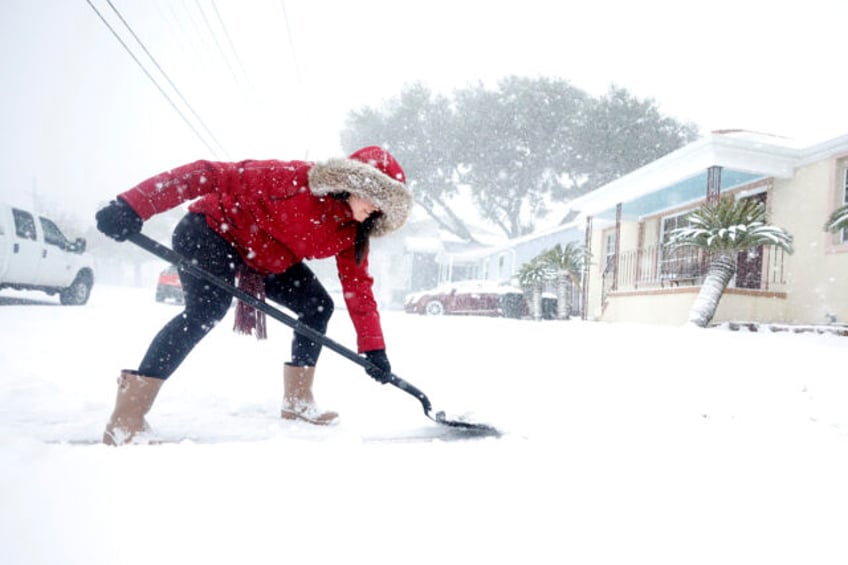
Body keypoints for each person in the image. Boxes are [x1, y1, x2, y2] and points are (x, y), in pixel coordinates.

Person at [95, 146, 412, 445]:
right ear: (351, 182)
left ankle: (298, 401)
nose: (377, 208)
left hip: (262, 256)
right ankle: (127, 418)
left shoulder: (353, 231)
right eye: (374, 195)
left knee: (317, 306)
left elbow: (358, 288)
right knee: (206, 311)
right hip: (211, 230)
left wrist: (374, 349)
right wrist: (135, 205)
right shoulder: (295, 180)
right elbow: (208, 173)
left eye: (385, 204)